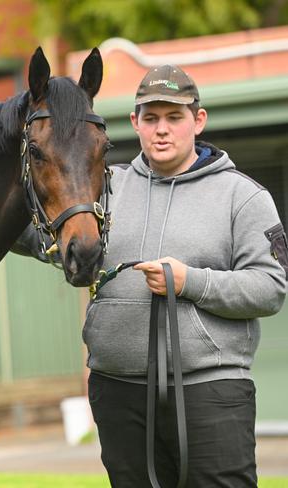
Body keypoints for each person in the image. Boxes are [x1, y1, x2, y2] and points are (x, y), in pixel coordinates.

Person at [83, 65, 288, 486]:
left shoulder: (243, 196)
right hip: (118, 392)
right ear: (135, 122)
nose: (162, 130)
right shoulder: (102, 190)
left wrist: (189, 282)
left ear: (198, 121)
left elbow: (270, 288)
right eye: (151, 118)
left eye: (174, 118)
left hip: (210, 391)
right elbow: (28, 227)